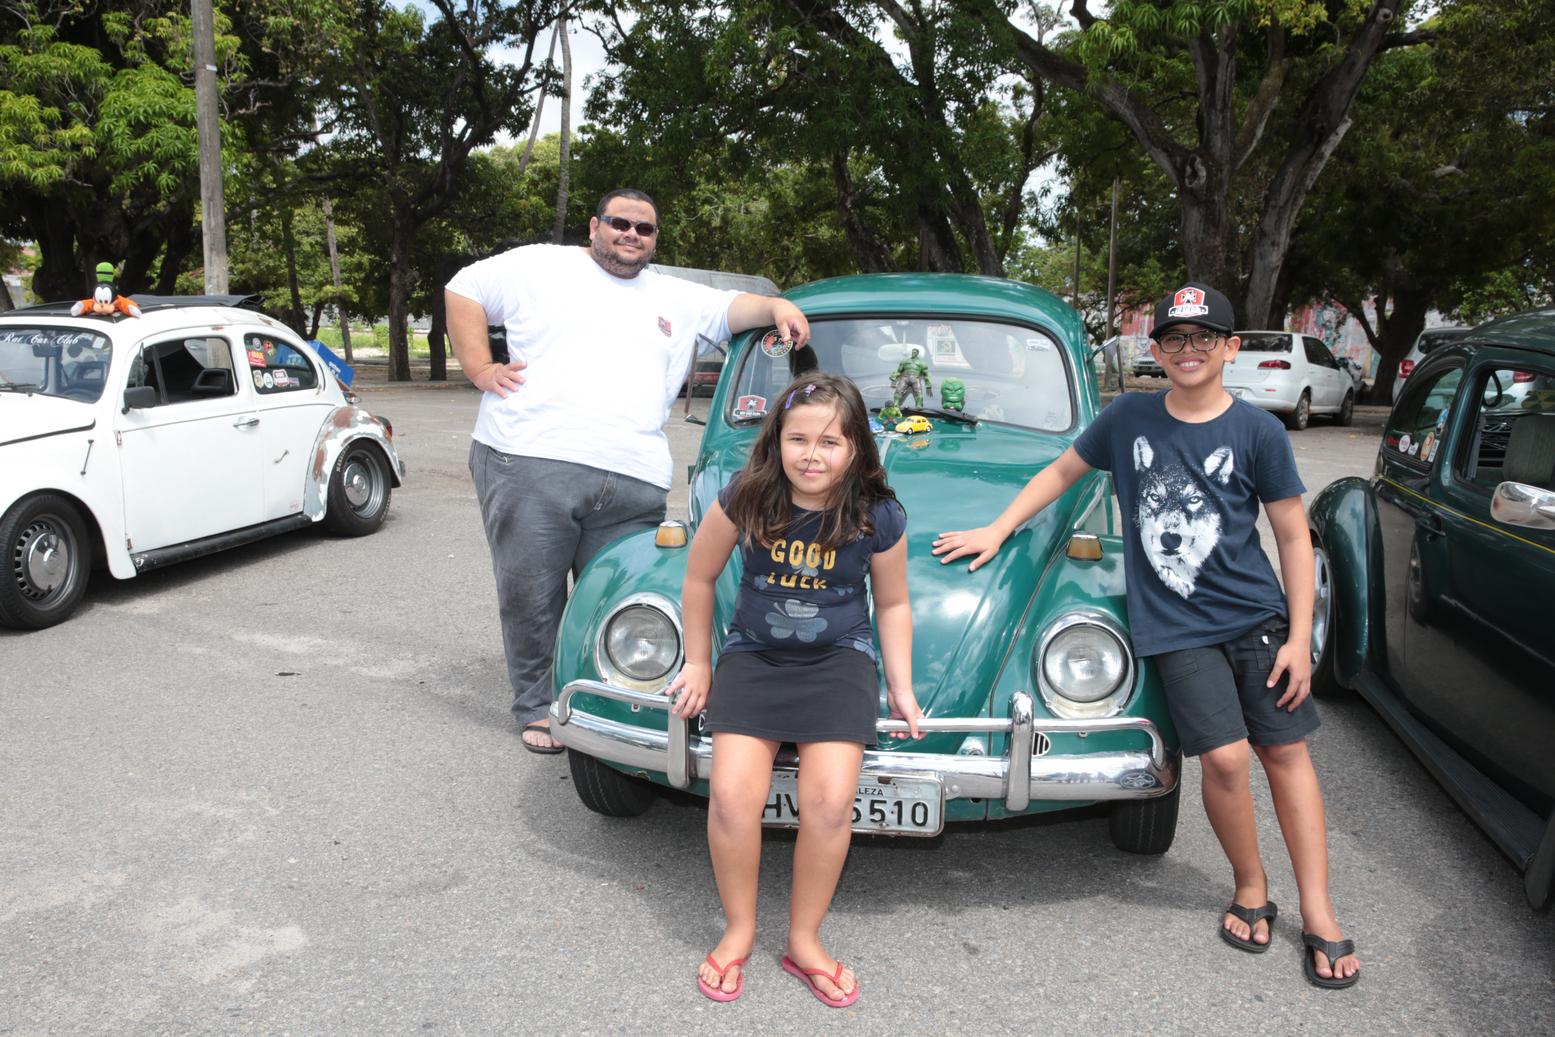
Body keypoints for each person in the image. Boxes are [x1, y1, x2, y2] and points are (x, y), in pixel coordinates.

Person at [932, 283, 1360, 990]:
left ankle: (1318, 909)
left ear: (1229, 348)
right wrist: (996, 527)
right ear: (1155, 351)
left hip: (1255, 618)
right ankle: (1250, 887)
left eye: (1203, 338)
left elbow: (1289, 530)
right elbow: (1062, 472)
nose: (1188, 350)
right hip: (1175, 628)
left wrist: (1297, 637)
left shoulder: (1257, 431)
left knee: (1285, 754)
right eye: (1173, 339)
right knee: (1222, 761)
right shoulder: (1128, 418)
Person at [445, 189, 810, 754]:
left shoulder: (673, 295)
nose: (632, 235)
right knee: (532, 595)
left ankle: (605, 701)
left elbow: (738, 307)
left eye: (645, 228)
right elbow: (463, 287)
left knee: (622, 600)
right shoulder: (540, 265)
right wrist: (479, 366)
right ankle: (539, 707)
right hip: (533, 457)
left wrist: (778, 307)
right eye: (620, 223)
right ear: (595, 226)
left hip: (633, 478)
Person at [664, 373, 923, 1006]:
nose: (812, 455)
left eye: (830, 442)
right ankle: (739, 931)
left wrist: (902, 687)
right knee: (729, 798)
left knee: (831, 802)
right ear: (776, 440)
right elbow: (698, 581)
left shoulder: (876, 513)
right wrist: (699, 663)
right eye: (797, 438)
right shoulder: (747, 497)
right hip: (754, 656)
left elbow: (891, 605)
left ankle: (804, 940)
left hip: (839, 661)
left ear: (857, 447)